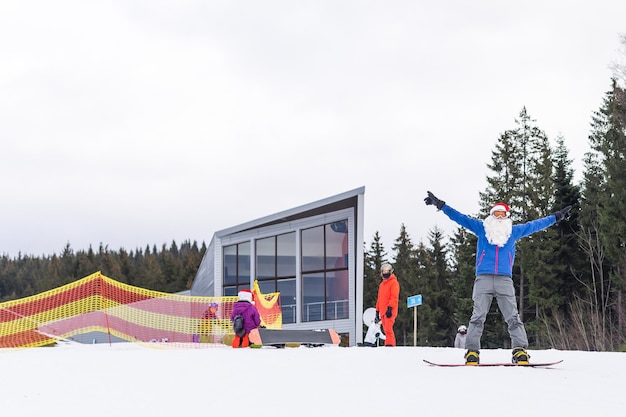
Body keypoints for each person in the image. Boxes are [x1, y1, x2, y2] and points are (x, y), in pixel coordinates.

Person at [424, 191, 572, 365]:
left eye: (502, 214)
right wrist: (441, 205)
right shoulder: (481, 228)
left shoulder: (513, 232)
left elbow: (536, 225)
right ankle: (472, 352)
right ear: (491, 216)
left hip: (504, 280)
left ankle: (519, 350)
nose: (499, 217)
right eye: (496, 214)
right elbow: (460, 218)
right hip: (483, 279)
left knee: (512, 316)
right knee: (477, 316)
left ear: (507, 216)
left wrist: (557, 216)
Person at [375, 263, 400, 347]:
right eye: (384, 271)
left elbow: (394, 297)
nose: (385, 273)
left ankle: (390, 345)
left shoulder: (394, 283)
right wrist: (377, 311)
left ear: (390, 271)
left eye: (387, 271)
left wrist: (390, 308)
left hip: (390, 310)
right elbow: (379, 299)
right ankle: (388, 344)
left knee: (388, 329)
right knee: (385, 329)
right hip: (382, 311)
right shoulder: (382, 285)